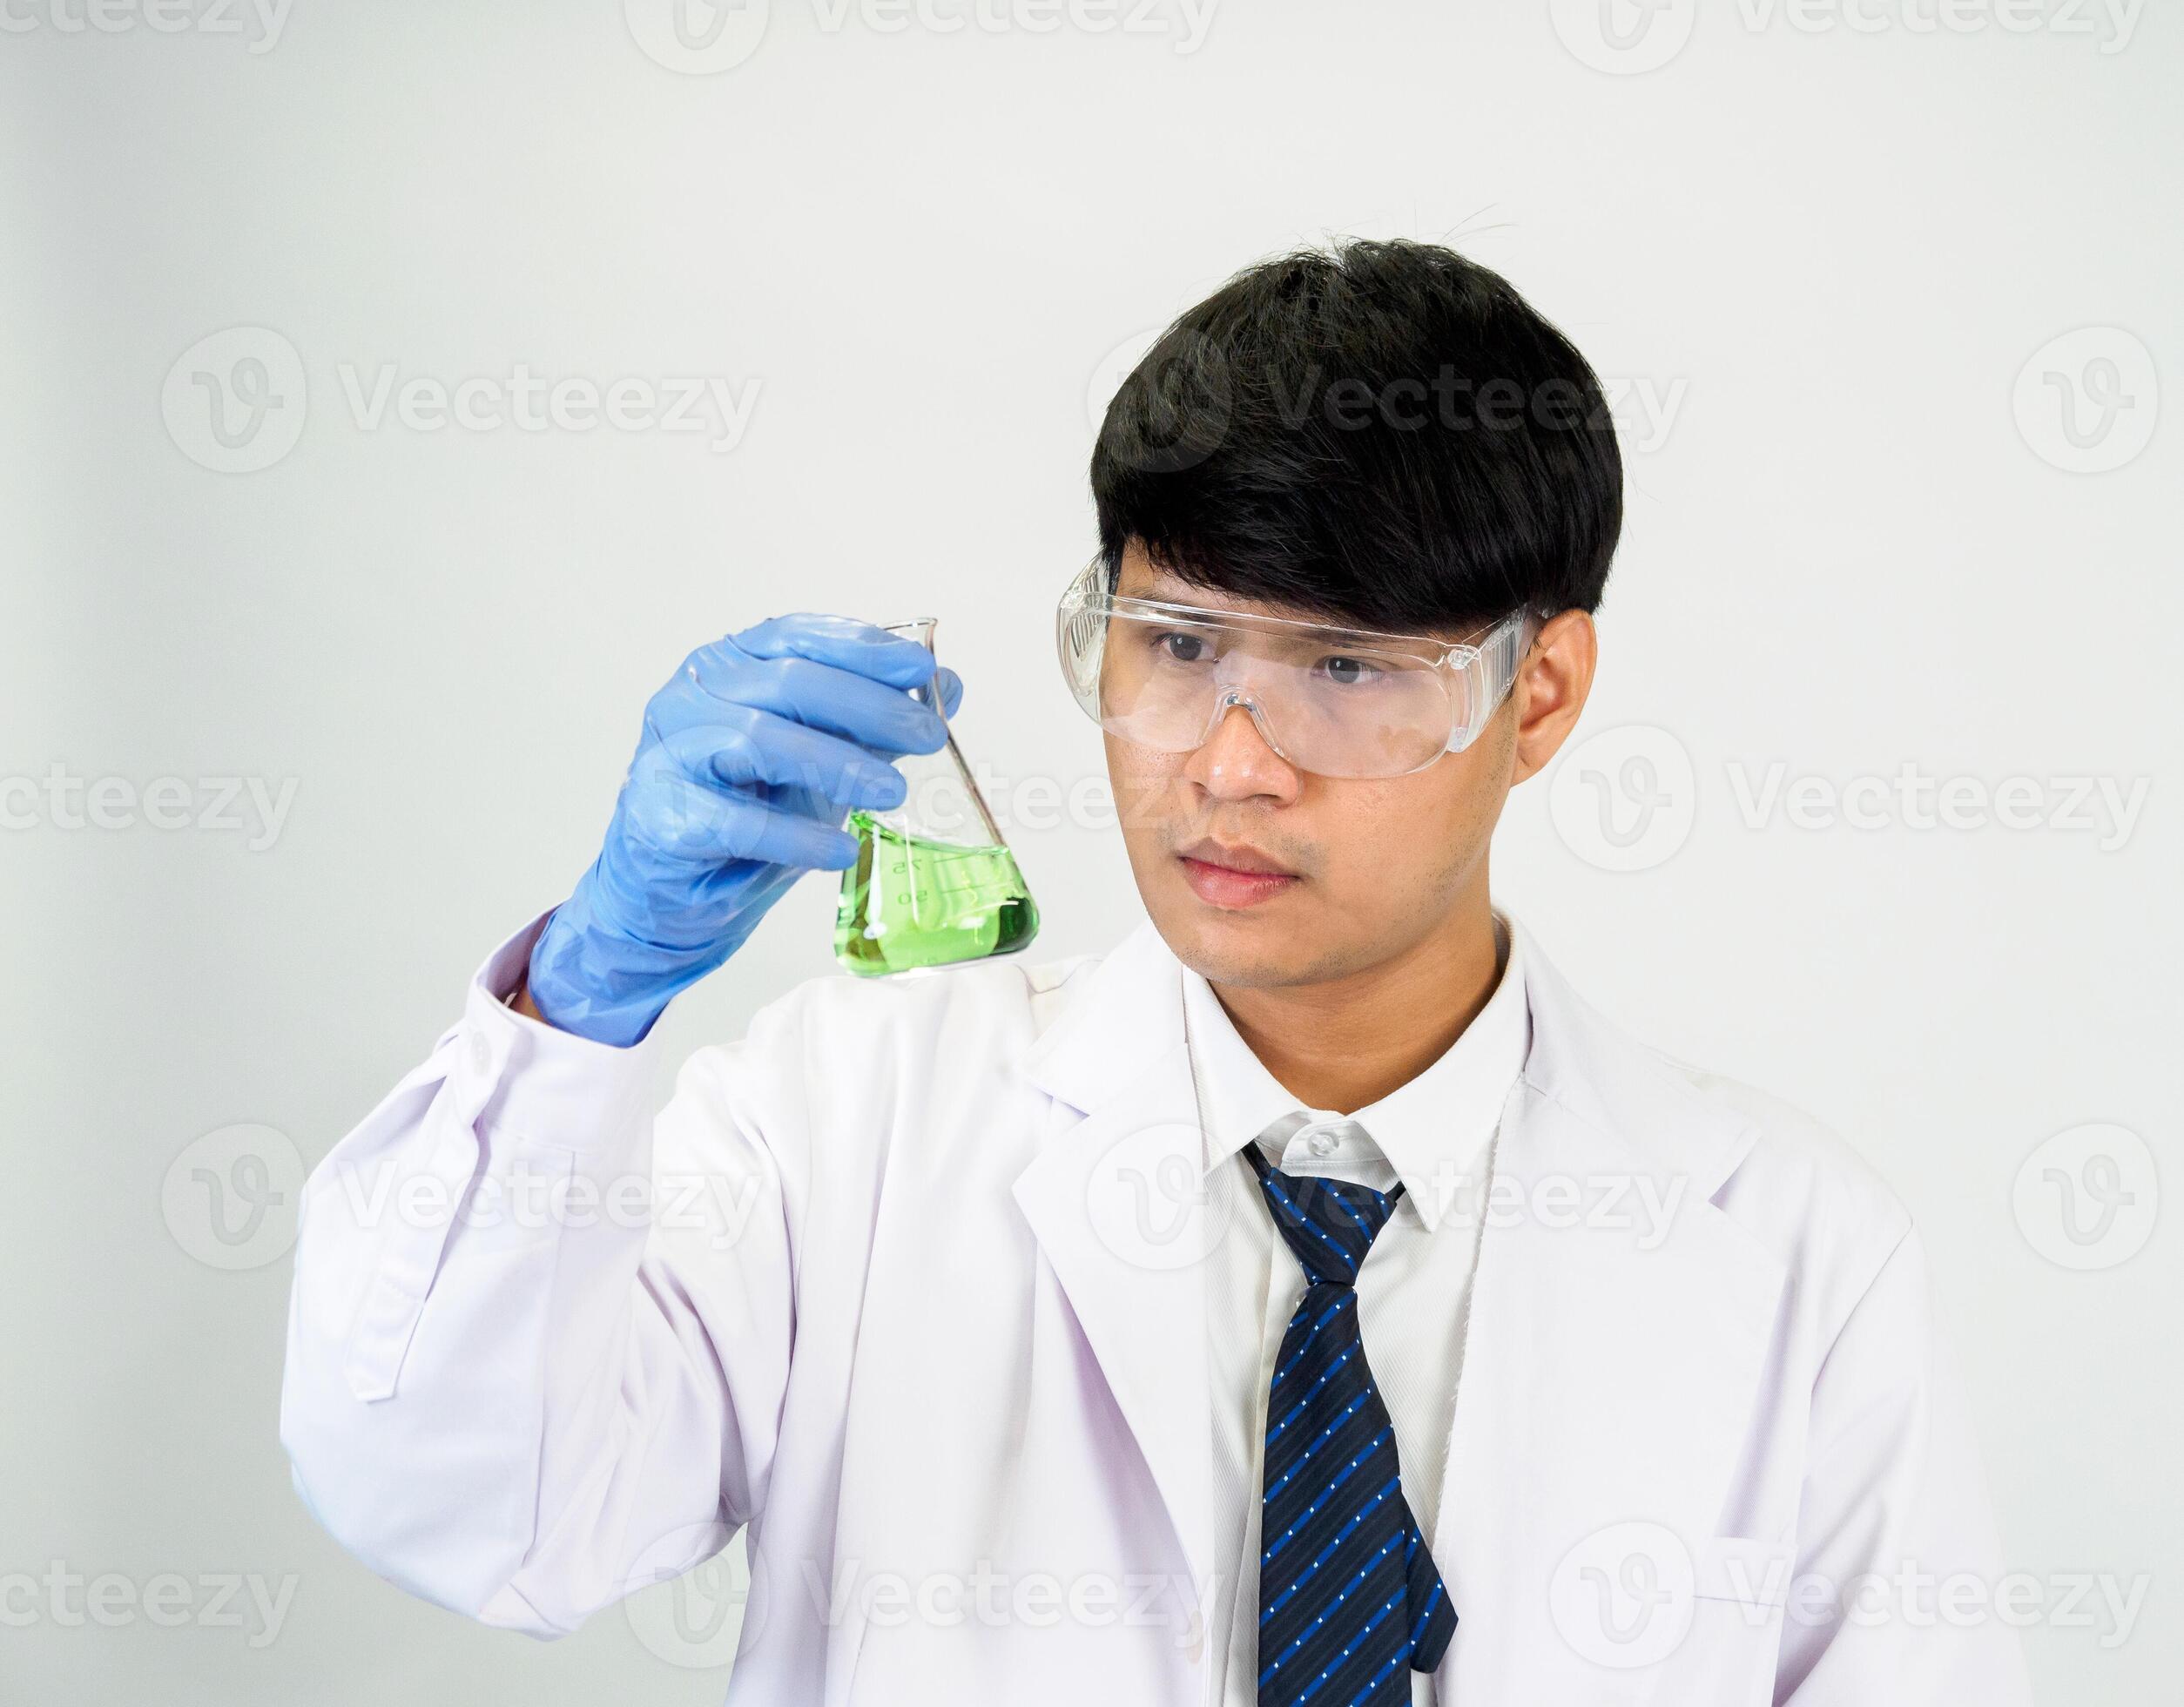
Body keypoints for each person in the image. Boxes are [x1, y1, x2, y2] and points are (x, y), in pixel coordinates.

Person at [280, 238, 2032, 1705]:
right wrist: (580, 1006)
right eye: (1178, 645)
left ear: (1543, 693)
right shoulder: (854, 1120)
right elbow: (468, 1504)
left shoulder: (1796, 1260)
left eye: (1346, 668)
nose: (1230, 763)